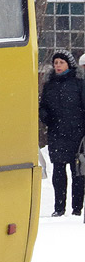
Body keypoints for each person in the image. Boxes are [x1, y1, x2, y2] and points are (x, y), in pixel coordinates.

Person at [39, 50, 85, 218]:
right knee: (58, 173)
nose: (58, 65)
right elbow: (42, 105)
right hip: (56, 134)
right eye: (56, 62)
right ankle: (59, 208)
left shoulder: (79, 82)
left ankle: (76, 209)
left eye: (61, 62)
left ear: (69, 64)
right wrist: (45, 116)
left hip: (77, 135)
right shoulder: (49, 84)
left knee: (77, 173)